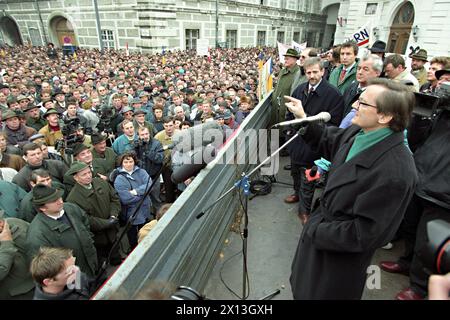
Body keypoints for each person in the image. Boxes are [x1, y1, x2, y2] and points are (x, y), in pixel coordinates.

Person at [286, 78, 417, 299]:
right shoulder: (361, 133)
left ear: (385, 116)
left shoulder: (397, 172)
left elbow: (367, 233)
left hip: (338, 258)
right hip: (321, 237)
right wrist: (303, 117)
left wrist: (316, 230)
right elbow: (331, 141)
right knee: (303, 288)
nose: (354, 105)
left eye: (363, 103)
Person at [285, 57, 344, 223]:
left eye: (315, 72)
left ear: (323, 72)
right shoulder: (299, 90)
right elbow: (290, 114)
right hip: (296, 142)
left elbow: (334, 125)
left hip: (315, 146)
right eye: (308, 72)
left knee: (309, 178)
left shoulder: (333, 95)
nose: (311, 75)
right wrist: (290, 131)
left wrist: (307, 121)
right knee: (295, 172)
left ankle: (305, 210)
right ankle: (297, 194)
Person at [26, 184, 98, 277]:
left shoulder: (71, 208)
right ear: (42, 208)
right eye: (54, 200)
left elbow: (85, 223)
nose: (60, 201)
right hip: (72, 277)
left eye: (59, 197)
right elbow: (45, 268)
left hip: (92, 263)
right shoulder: (37, 234)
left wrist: (88, 240)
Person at [65, 161, 121, 265]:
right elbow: (86, 219)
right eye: (84, 174)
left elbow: (114, 199)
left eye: (89, 172)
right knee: (101, 263)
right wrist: (106, 223)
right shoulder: (73, 198)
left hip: (113, 232)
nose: (88, 176)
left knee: (116, 256)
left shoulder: (101, 182)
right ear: (76, 178)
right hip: (97, 238)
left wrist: (113, 215)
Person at [113, 152, 153, 248]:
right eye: (125, 162)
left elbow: (150, 185)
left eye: (130, 161)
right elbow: (126, 199)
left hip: (145, 209)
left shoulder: (142, 172)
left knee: (146, 231)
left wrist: (135, 191)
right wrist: (144, 194)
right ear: (121, 163)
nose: (128, 164)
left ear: (134, 162)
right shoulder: (119, 179)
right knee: (132, 235)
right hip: (132, 212)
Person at [0, 217, 35, 300]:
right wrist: (6, 243)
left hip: (40, 282)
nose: (1, 225)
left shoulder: (15, 223)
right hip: (16, 294)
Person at [270, 48, 301, 126]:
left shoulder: (298, 73)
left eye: (287, 59)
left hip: (287, 108)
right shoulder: (283, 71)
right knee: (274, 128)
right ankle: (274, 138)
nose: (285, 60)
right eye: (285, 58)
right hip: (276, 106)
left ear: (294, 59)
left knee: (284, 131)